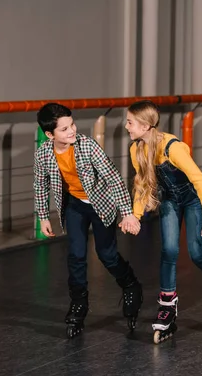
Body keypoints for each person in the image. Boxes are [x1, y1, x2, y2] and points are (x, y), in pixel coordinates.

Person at [125, 100, 202, 343]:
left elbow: (199, 181)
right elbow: (142, 185)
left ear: (144, 126)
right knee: (169, 251)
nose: (126, 126)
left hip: (194, 200)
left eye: (130, 122)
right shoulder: (136, 150)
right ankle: (167, 305)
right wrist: (136, 215)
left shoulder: (172, 148)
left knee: (197, 253)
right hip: (170, 201)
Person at [33, 103, 143, 338]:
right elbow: (40, 184)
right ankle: (79, 303)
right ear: (50, 134)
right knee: (76, 255)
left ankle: (130, 284)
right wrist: (43, 216)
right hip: (75, 206)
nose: (72, 131)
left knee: (107, 255)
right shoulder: (43, 153)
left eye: (72, 124)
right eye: (64, 129)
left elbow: (112, 177)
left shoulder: (87, 145)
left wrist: (127, 212)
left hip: (101, 204)